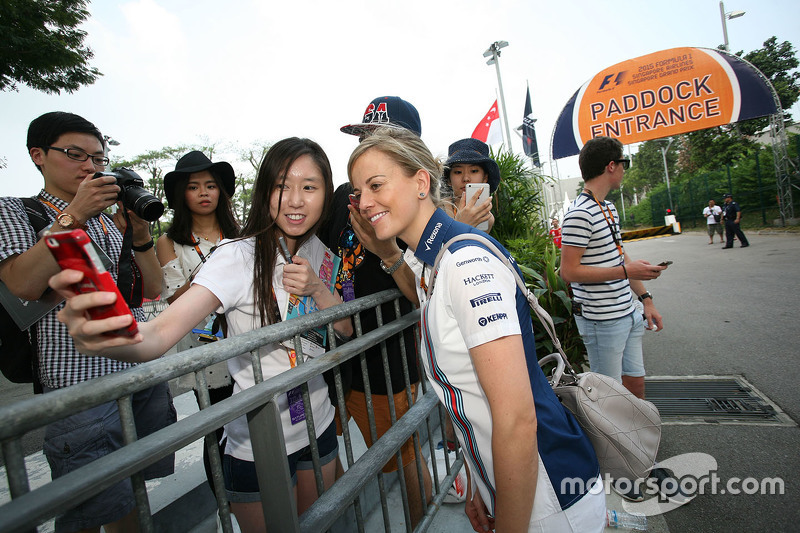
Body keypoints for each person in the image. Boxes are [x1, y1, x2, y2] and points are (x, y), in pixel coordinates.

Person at [49, 137, 354, 532]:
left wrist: (317, 289)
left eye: (309, 186)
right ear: (264, 191)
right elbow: (160, 333)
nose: (295, 200)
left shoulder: (320, 252)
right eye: (281, 186)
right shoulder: (237, 256)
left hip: (320, 421)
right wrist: (116, 336)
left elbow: (344, 328)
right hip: (259, 441)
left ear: (325, 193)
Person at [347, 127, 605, 532]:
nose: (363, 202)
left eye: (376, 184)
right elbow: (472, 400)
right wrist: (481, 490)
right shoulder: (436, 262)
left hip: (550, 498)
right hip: (518, 490)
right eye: (358, 191)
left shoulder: (465, 264)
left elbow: (517, 418)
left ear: (420, 182)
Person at [0, 111, 175, 532]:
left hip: (135, 369)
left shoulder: (109, 222)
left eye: (98, 159)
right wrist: (72, 216)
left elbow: (150, 289)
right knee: (87, 507)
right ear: (37, 155)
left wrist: (138, 233)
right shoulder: (14, 212)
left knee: (131, 488)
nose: (90, 168)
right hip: (76, 384)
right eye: (76, 155)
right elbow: (21, 284)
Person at [328, 95, 432, 525]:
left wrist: (387, 252)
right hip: (332, 355)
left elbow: (420, 293)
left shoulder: (419, 211)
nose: (368, 145)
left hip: (385, 361)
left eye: (382, 137)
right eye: (364, 136)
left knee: (402, 457)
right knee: (324, 455)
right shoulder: (341, 198)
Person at [157, 150, 240, 490]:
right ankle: (228, 502)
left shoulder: (241, 234)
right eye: (194, 187)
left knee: (254, 424)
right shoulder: (168, 242)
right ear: (182, 194)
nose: (204, 193)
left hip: (245, 341)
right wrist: (216, 267)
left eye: (211, 185)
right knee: (217, 431)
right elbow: (176, 298)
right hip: (204, 351)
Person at [560, 136, 666, 401]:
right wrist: (627, 272)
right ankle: (611, 443)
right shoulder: (579, 214)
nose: (623, 169)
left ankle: (636, 438)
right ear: (611, 166)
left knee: (635, 384)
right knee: (608, 395)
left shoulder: (608, 208)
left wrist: (646, 299)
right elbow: (568, 272)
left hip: (628, 311)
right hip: (602, 320)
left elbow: (621, 258)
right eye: (623, 163)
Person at [441, 138, 500, 232]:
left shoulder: (486, 218)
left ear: (485, 178)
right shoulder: (435, 209)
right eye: (458, 172)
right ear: (448, 180)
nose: (466, 178)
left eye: (474, 171)